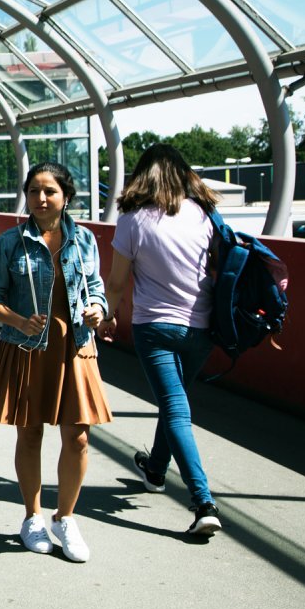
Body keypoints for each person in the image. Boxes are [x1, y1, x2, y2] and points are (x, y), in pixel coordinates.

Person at [102, 144, 248, 538]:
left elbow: (117, 281)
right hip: (201, 331)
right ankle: (154, 470)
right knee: (175, 403)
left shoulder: (132, 220)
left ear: (142, 175)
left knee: (176, 410)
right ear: (184, 174)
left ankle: (203, 501)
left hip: (155, 329)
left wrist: (108, 316)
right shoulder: (204, 216)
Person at [0, 162, 110, 562]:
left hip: (75, 348)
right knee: (30, 434)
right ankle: (32, 517)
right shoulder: (8, 244)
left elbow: (96, 288)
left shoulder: (84, 241)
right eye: (34, 191)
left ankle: (65, 517)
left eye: (49, 191)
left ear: (66, 196)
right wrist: (17, 320)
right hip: (28, 348)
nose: (41, 198)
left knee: (78, 436)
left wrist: (97, 309)